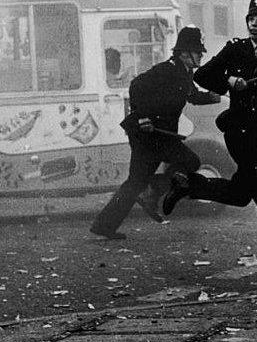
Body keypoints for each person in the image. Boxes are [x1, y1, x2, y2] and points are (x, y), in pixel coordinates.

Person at [162, 0, 257, 276]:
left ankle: (190, 185)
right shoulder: (235, 48)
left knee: (242, 195)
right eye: (252, 19)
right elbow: (202, 76)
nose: (255, 24)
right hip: (240, 131)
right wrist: (229, 80)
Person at [89, 26, 220, 239]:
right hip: (147, 134)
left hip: (161, 135)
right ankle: (150, 190)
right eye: (198, 53)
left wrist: (217, 97)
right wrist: (141, 116)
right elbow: (136, 85)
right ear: (185, 53)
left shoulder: (185, 73)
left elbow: (193, 96)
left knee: (136, 182)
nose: (201, 57)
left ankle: (105, 225)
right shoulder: (166, 70)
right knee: (190, 162)